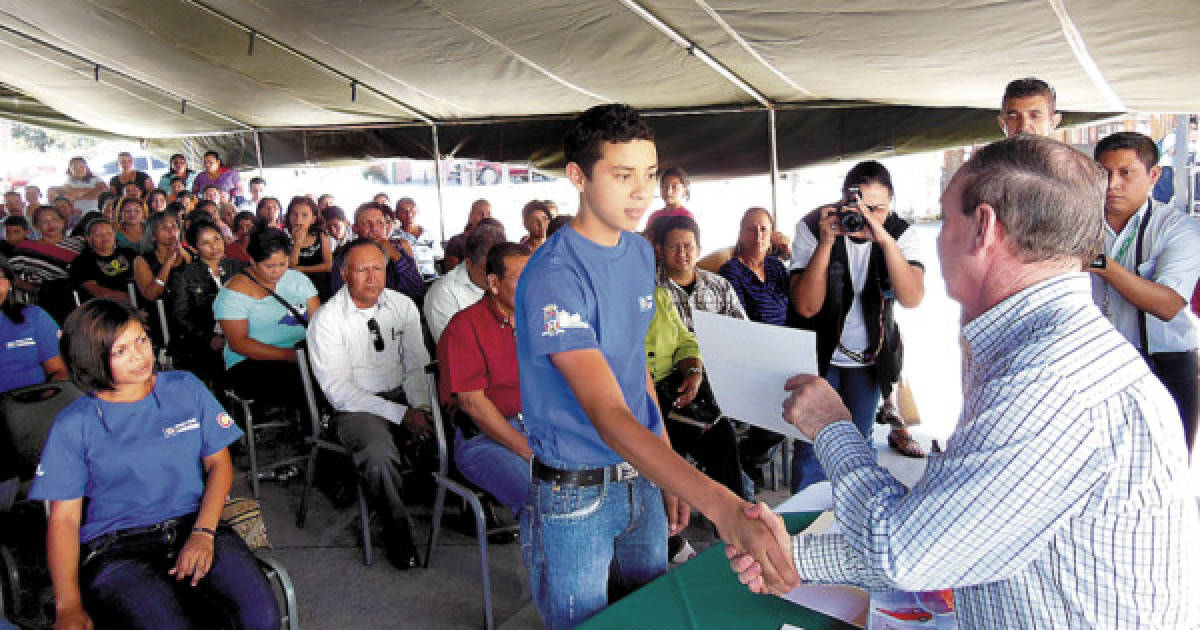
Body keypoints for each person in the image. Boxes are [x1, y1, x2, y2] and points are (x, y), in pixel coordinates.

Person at [728, 134, 1200, 626]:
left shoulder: (1047, 382)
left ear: (984, 229)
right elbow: (964, 530)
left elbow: (903, 551)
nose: (937, 235)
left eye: (947, 217)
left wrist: (831, 425)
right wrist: (797, 561)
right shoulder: (1050, 350)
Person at [515, 104, 792, 629]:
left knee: (651, 613)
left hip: (640, 476)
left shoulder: (642, 256)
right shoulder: (556, 275)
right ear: (578, 176)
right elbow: (608, 413)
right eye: (622, 176)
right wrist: (722, 505)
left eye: (649, 174)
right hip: (576, 493)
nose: (642, 192)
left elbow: (634, 371)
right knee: (586, 623)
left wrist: (667, 470)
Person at [29, 299, 280, 630]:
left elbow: (219, 465)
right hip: (118, 548)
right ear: (92, 359)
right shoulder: (73, 424)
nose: (139, 355)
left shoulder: (185, 387)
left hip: (196, 523)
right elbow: (63, 519)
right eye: (120, 351)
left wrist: (204, 532)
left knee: (262, 619)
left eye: (141, 340)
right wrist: (69, 605)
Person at [788, 160, 927, 486]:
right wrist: (826, 243)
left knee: (860, 443)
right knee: (811, 444)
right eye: (858, 207)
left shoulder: (900, 232)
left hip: (868, 358)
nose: (866, 217)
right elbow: (806, 307)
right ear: (843, 201)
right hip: (819, 354)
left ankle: (854, 518)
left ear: (891, 205)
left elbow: (912, 298)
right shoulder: (814, 226)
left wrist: (884, 239)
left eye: (876, 209)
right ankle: (807, 523)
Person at [307, 239, 431, 570]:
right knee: (377, 455)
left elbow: (416, 365)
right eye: (362, 270)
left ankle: (472, 507)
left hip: (403, 395)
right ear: (345, 273)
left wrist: (421, 408)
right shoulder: (327, 320)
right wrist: (402, 414)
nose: (373, 278)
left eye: (379, 268)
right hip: (356, 407)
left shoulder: (403, 306)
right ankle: (397, 532)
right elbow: (340, 391)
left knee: (454, 426)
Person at [1089, 131, 1200, 455]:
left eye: (1126, 173)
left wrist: (1101, 264)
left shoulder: (1178, 228)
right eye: (1104, 173)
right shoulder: (1079, 225)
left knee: (1170, 467)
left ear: (1154, 175)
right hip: (1097, 361)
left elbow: (1167, 305)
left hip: (1165, 362)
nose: (1112, 184)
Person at [437, 242, 533, 519]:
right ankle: (553, 562)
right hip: (484, 438)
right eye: (521, 279)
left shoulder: (537, 322)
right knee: (544, 494)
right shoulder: (465, 326)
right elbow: (473, 404)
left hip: (539, 427)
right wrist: (528, 451)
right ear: (493, 283)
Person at [214, 227, 319, 407]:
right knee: (302, 381)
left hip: (302, 353)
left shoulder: (297, 280)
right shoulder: (233, 293)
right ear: (252, 261)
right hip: (251, 362)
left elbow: (318, 322)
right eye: (269, 266)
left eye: (283, 264)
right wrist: (289, 355)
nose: (277, 271)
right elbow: (238, 343)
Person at [169, 220, 247, 384]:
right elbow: (181, 317)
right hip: (203, 339)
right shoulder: (184, 275)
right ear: (195, 248)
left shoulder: (239, 267)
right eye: (206, 242)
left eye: (217, 239)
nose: (214, 246)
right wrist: (208, 338)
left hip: (241, 333)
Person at [423, 218, 505, 343]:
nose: (496, 277)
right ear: (469, 263)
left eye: (500, 268)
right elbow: (456, 348)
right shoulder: (444, 293)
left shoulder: (510, 280)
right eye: (488, 270)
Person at [330, 202, 425, 306]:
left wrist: (397, 257)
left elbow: (418, 292)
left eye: (379, 223)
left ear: (386, 226)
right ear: (355, 229)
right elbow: (342, 300)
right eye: (366, 223)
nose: (374, 228)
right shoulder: (345, 258)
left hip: (401, 313)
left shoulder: (398, 252)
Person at [0, 260, 67, 393]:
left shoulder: (33, 316)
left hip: (34, 405)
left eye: (0, 277)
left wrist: (40, 404)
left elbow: (60, 372)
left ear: (9, 283)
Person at [9, 205, 84, 322]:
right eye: (44, 221)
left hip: (75, 302)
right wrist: (34, 289)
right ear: (37, 226)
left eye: (54, 219)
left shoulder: (79, 243)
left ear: (63, 222)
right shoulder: (26, 250)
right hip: (41, 304)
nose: (51, 224)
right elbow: (8, 275)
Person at [719, 207, 789, 326]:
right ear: (741, 235)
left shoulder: (775, 265)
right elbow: (740, 321)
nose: (758, 235)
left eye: (763, 229)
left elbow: (799, 303)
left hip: (790, 336)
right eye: (751, 229)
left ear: (771, 236)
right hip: (755, 338)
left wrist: (791, 254)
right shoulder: (731, 271)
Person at [69, 218, 137, 303]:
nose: (105, 237)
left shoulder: (129, 253)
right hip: (105, 306)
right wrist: (131, 299)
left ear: (114, 235)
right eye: (99, 234)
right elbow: (94, 290)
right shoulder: (82, 262)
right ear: (89, 239)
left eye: (109, 233)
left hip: (138, 300)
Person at [283, 196, 333, 302]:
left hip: (319, 286)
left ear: (313, 219)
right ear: (289, 216)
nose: (298, 220)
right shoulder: (283, 237)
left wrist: (301, 269)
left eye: (304, 215)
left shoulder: (322, 236)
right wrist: (297, 243)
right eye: (294, 214)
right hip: (293, 287)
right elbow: (291, 265)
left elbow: (328, 266)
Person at [394, 197, 441, 279]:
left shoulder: (429, 235)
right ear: (396, 214)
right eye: (404, 212)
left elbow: (439, 258)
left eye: (412, 210)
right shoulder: (394, 237)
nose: (409, 215)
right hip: (408, 280)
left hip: (431, 278)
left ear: (418, 211)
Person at [643, 165, 693, 236]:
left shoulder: (686, 216)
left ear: (684, 191)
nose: (668, 191)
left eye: (674, 187)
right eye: (665, 186)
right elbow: (646, 240)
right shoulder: (654, 216)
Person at [441, 199, 491, 270]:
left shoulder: (491, 240)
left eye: (488, 214)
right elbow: (450, 273)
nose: (485, 217)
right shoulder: (456, 242)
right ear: (470, 216)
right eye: (480, 213)